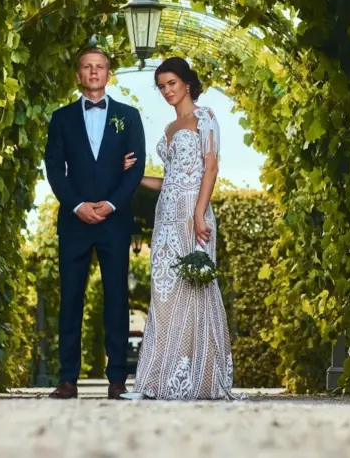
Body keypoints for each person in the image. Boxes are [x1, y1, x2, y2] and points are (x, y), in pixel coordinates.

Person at [119, 56, 236, 400]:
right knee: (164, 293)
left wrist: (200, 214)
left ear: (186, 82)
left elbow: (210, 169)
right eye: (161, 87)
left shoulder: (205, 117)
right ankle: (155, 381)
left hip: (191, 212)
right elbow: (168, 180)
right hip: (166, 216)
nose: (167, 91)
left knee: (195, 289)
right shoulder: (169, 129)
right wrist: (134, 175)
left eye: (172, 83)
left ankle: (198, 378)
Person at [43, 47, 146, 400]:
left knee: (116, 299)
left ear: (108, 73)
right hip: (75, 222)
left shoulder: (129, 117)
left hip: (114, 222)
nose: (93, 71)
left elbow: (138, 169)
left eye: (100, 66)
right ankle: (67, 380)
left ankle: (117, 380)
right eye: (87, 66)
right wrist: (77, 206)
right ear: (79, 75)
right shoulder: (61, 118)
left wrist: (112, 205)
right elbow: (54, 168)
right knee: (70, 299)